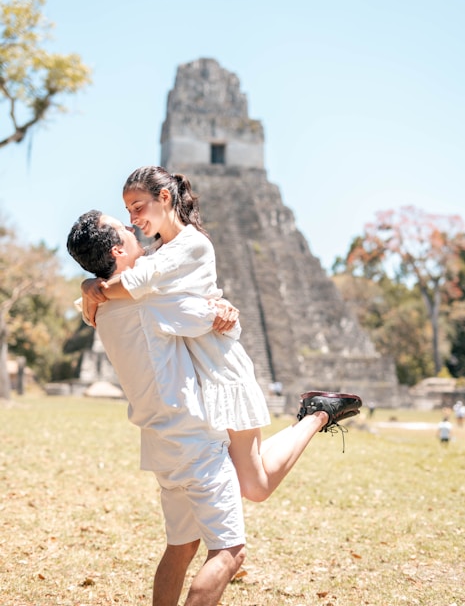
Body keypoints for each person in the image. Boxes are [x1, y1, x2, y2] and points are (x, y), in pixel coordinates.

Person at [79, 165, 362, 502]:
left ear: (164, 197)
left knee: (254, 487)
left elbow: (134, 286)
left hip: (220, 369)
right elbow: (104, 306)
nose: (133, 219)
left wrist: (93, 289)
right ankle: (315, 412)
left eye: (138, 207)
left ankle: (317, 414)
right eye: (127, 211)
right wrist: (87, 287)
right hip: (198, 378)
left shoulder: (192, 244)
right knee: (240, 473)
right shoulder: (156, 254)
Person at [68, 211, 246, 606]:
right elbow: (216, 320)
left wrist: (88, 286)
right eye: (123, 227)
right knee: (229, 553)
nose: (133, 228)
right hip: (194, 439)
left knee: (181, 547)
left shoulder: (99, 307)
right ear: (117, 249)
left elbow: (98, 293)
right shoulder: (150, 300)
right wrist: (224, 312)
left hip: (160, 443)